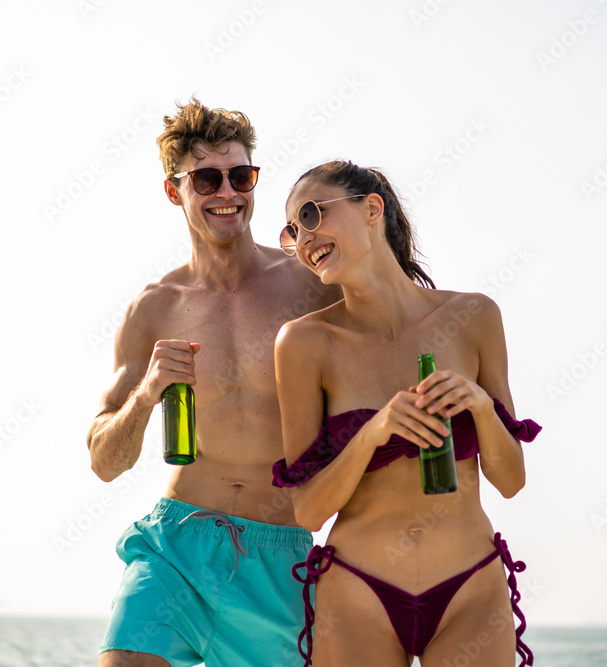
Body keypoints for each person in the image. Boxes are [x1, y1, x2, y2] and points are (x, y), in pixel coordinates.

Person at [87, 98, 342, 667]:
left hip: (283, 553)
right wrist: (147, 392)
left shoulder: (315, 289)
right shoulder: (153, 309)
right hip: (177, 545)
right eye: (207, 178)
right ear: (174, 191)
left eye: (241, 175)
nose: (228, 192)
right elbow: (105, 460)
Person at [272, 160, 542, 666]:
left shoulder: (474, 317)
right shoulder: (305, 344)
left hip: (471, 590)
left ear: (371, 209)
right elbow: (308, 511)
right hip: (358, 594)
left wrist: (481, 408)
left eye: (310, 214)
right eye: (292, 230)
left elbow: (510, 479)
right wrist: (373, 434)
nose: (302, 237)